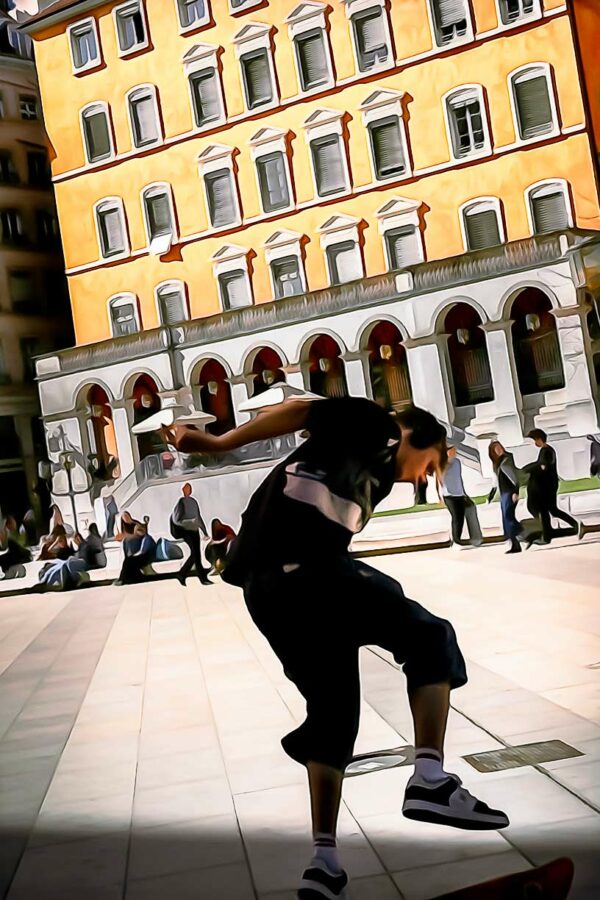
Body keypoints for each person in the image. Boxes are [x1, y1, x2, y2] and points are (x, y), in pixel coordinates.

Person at [164, 397, 509, 900]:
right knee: (431, 636)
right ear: (415, 434)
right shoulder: (379, 426)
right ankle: (430, 778)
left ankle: (323, 863)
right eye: (431, 465)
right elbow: (300, 407)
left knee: (334, 715)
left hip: (270, 592)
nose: (424, 478)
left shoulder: (377, 474)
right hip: (306, 572)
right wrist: (219, 443)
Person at [523, 429, 579, 546]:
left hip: (548, 486)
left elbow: (542, 466)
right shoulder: (546, 450)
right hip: (549, 485)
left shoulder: (547, 451)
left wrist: (527, 469)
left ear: (539, 439)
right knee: (551, 510)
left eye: (535, 440)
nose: (534, 443)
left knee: (548, 509)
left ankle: (570, 527)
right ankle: (568, 528)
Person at [438, 446, 483, 547]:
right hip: (449, 495)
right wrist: (448, 459)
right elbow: (440, 476)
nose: (455, 452)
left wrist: (464, 492)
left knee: (462, 516)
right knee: (457, 517)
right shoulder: (441, 463)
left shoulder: (457, 462)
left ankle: (460, 538)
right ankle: (456, 541)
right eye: (452, 450)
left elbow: (459, 478)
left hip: (460, 494)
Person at [170, 483, 211, 586]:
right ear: (183, 491)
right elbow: (177, 520)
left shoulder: (194, 502)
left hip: (194, 530)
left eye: (189, 488)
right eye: (186, 489)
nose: (188, 490)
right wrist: (189, 522)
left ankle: (184, 574)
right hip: (185, 530)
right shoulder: (181, 503)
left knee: (197, 555)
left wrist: (204, 531)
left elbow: (198, 517)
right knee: (195, 554)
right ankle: (198, 577)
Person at [488, 440, 522, 554]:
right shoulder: (497, 464)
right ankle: (515, 542)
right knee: (506, 519)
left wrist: (516, 492)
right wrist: (491, 495)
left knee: (508, 518)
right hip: (504, 494)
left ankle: (523, 532)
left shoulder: (507, 460)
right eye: (495, 449)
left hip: (510, 492)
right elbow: (495, 481)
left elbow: (514, 478)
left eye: (499, 447)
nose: (499, 450)